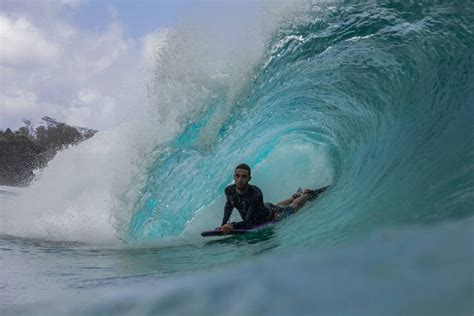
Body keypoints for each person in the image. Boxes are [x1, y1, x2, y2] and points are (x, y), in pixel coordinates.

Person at [219, 163, 327, 234]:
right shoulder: (229, 190)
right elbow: (229, 205)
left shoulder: (255, 195)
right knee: (278, 205)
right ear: (234, 177)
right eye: (237, 176)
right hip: (264, 207)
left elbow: (250, 222)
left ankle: (307, 194)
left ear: (249, 178)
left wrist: (232, 225)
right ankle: (294, 196)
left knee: (293, 207)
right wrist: (223, 224)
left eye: (244, 177)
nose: (240, 179)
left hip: (272, 216)